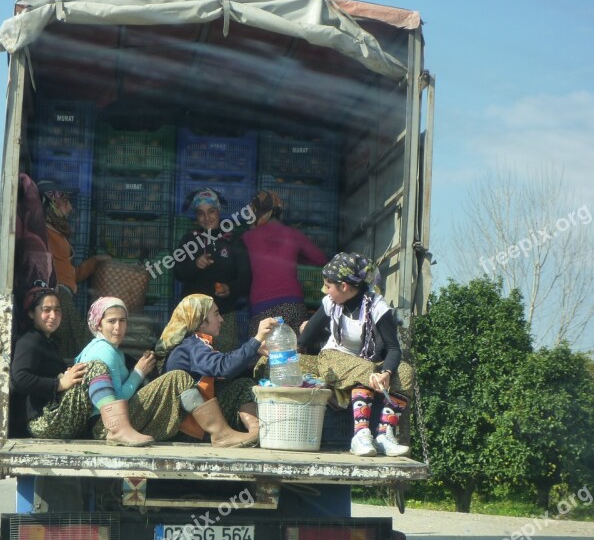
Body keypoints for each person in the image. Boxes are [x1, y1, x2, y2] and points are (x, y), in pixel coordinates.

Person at [77, 297, 255, 448]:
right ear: (98, 324)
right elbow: (115, 400)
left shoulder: (111, 350)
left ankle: (253, 431)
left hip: (114, 424)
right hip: (107, 426)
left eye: (122, 321)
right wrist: (138, 373)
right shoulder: (103, 350)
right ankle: (221, 434)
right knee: (178, 377)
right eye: (111, 321)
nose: (118, 327)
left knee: (242, 385)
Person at [296, 252, 415, 458]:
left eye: (328, 285)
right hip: (334, 357)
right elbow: (305, 338)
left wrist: (386, 372)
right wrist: (288, 352)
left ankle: (384, 435)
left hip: (368, 360)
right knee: (367, 371)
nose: (325, 290)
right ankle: (360, 435)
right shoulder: (329, 303)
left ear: (344, 286)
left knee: (405, 372)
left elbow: (393, 349)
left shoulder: (377, 307)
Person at [155, 294, 276, 447]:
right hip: (191, 428)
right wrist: (256, 339)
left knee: (241, 384)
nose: (221, 320)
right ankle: (253, 433)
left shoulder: (188, 344)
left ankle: (256, 431)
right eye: (216, 314)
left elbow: (223, 363)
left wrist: (255, 348)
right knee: (244, 387)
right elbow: (223, 367)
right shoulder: (192, 345)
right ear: (200, 320)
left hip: (192, 423)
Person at [10, 283, 95, 439]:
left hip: (49, 415)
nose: (53, 316)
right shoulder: (30, 340)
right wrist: (60, 384)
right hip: (42, 420)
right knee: (95, 368)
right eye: (46, 310)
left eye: (57, 310)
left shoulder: (49, 341)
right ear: (31, 313)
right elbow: (19, 379)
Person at [174, 188, 251, 353]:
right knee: (193, 363)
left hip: (223, 316)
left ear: (219, 211)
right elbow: (177, 273)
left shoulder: (233, 240)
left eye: (211, 211)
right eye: (201, 213)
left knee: (223, 365)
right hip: (194, 318)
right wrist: (195, 265)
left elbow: (246, 278)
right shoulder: (189, 240)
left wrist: (230, 288)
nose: (207, 217)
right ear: (196, 215)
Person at [240, 190, 328, 336]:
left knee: (262, 354)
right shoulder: (293, 234)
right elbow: (320, 259)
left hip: (261, 307)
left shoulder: (247, 237)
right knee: (292, 355)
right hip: (292, 304)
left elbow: (241, 269)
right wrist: (294, 258)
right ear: (279, 212)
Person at [38, 180, 108, 360]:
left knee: (74, 344)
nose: (70, 208)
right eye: (66, 202)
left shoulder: (55, 232)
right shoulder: (43, 233)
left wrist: (94, 262)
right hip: (57, 295)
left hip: (64, 294)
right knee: (82, 343)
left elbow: (71, 275)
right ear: (53, 202)